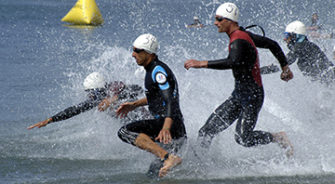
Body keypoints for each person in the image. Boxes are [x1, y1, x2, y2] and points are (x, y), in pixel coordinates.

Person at [184, 2, 294, 157]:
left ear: (230, 21)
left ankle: (278, 137)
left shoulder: (239, 39)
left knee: (243, 138)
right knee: (206, 131)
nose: (216, 23)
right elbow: (273, 44)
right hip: (238, 95)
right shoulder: (243, 35)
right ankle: (199, 165)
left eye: (219, 19)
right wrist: (285, 68)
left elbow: (232, 62)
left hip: (252, 97)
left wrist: (202, 63)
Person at [116, 34, 187, 178]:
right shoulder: (152, 69)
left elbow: (170, 100)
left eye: (137, 50)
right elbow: (156, 97)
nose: (132, 54)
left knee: (125, 132)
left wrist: (166, 128)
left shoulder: (158, 71)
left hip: (168, 126)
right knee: (154, 175)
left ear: (148, 53)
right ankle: (167, 157)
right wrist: (134, 105)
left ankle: (168, 157)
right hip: (173, 129)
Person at [27, 72, 146, 129]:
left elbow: (138, 88)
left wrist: (114, 98)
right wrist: (50, 120)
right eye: (89, 93)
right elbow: (75, 110)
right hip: (131, 124)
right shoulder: (97, 99)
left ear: (100, 89)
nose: (91, 97)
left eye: (92, 93)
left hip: (144, 118)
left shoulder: (114, 88)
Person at [284, 20, 335, 85]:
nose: (285, 39)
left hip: (330, 79)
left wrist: (268, 69)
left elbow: (285, 62)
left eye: (287, 35)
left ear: (295, 36)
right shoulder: (306, 45)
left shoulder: (301, 46)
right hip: (329, 80)